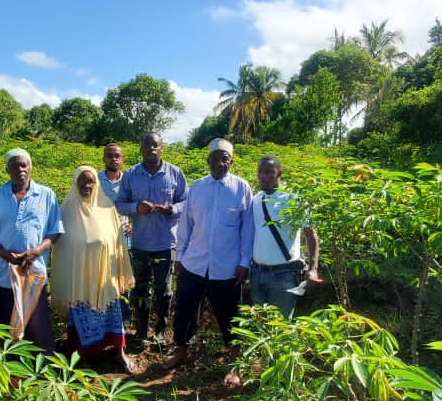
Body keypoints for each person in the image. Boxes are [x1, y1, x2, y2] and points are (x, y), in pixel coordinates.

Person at [164, 138, 253, 381]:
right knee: (185, 309)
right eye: (216, 159)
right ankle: (182, 351)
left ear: (231, 161)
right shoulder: (197, 188)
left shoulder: (242, 188)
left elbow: (247, 230)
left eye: (225, 159)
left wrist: (245, 262)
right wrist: (179, 256)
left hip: (227, 266)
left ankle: (235, 364)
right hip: (194, 262)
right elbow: (186, 225)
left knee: (230, 314)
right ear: (208, 161)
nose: (220, 163)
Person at [49, 166, 138, 373]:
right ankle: (84, 356)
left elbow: (119, 243)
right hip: (81, 281)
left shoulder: (107, 208)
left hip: (105, 278)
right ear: (75, 184)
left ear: (96, 183)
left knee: (113, 316)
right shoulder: (66, 211)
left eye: (90, 181)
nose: (86, 186)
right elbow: (59, 246)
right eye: (82, 182)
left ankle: (119, 353)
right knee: (82, 318)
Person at [0, 148, 63, 354]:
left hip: (34, 273)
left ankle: (44, 369)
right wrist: (6, 254)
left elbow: (55, 231)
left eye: (24, 164)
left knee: (38, 324)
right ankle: (14, 373)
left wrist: (36, 251)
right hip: (5, 272)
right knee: (9, 325)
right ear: (7, 169)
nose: (20, 169)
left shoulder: (46, 194)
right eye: (15, 165)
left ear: (31, 167)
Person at [114, 132, 188, 344]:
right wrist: (136, 207)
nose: (151, 149)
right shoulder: (130, 175)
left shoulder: (175, 173)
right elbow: (120, 203)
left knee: (164, 291)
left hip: (166, 243)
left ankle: (162, 331)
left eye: (155, 145)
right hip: (140, 244)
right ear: (141, 149)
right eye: (147, 145)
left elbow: (186, 203)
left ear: (161, 148)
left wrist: (172, 208)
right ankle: (141, 331)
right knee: (140, 289)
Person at [250, 155, 323, 319]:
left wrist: (313, 269)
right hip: (256, 274)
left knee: (280, 327)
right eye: (260, 172)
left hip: (283, 276)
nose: (263, 176)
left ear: (279, 173)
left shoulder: (294, 199)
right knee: (260, 326)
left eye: (269, 172)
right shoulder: (255, 199)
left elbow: (311, 234)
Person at [98, 143, 134, 324]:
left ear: (122, 159)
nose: (113, 159)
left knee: (123, 277)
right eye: (110, 156)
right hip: (101, 238)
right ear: (104, 158)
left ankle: (124, 319)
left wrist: (134, 224)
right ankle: (104, 317)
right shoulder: (95, 180)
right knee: (102, 277)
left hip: (123, 237)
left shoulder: (130, 180)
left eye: (117, 156)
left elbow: (138, 204)